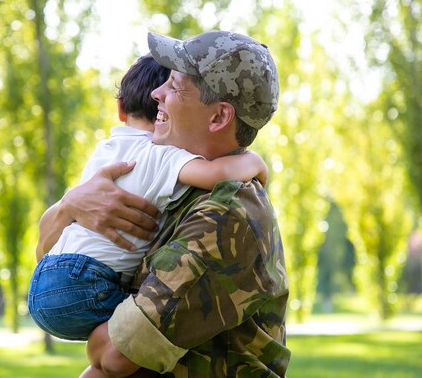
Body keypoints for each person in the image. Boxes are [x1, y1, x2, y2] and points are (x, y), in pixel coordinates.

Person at [38, 30, 290, 378]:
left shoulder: (225, 212)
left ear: (218, 117)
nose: (157, 94)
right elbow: (49, 262)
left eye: (174, 86)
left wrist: (98, 338)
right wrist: (70, 205)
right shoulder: (173, 186)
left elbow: (115, 355)